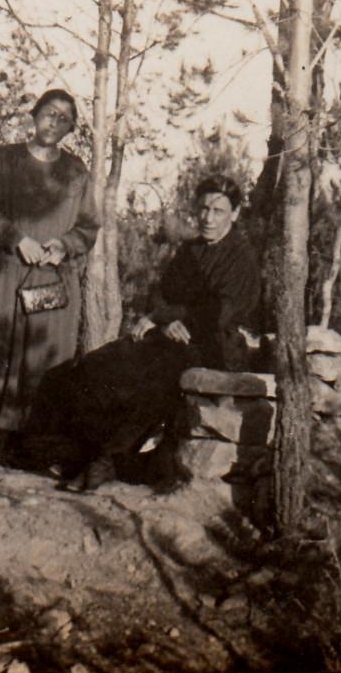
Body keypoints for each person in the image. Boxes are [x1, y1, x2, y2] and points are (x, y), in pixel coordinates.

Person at [34, 174, 262, 492]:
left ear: (234, 214)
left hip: (214, 346)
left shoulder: (241, 257)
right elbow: (159, 293)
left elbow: (221, 312)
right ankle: (74, 451)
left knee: (156, 377)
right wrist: (163, 320)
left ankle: (108, 460)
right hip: (170, 337)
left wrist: (171, 318)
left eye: (218, 211)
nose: (208, 218)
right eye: (203, 209)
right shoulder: (190, 250)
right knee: (101, 363)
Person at [0, 88, 100, 467]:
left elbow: (89, 225)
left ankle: (35, 448)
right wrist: (16, 239)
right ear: (35, 115)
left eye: (64, 118)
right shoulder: (7, 160)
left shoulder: (76, 172)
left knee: (46, 359)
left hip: (52, 279)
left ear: (71, 128)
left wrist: (64, 245)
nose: (54, 122)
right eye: (49, 112)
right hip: (6, 273)